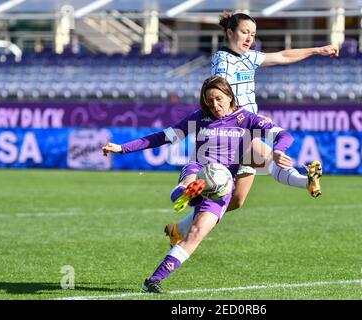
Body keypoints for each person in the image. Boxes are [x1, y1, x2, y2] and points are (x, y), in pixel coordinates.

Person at [102, 76, 296, 293]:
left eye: (219, 99)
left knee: (196, 233)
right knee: (192, 179)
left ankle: (152, 281)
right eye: (209, 100)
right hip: (198, 168)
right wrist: (122, 148)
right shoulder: (199, 118)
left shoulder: (246, 118)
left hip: (222, 187)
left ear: (230, 96)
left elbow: (283, 135)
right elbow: (162, 137)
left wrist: (278, 151)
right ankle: (184, 192)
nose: (214, 105)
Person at [165, 12, 332, 247]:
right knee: (269, 157)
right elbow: (221, 97)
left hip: (246, 129)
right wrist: (248, 114)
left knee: (235, 201)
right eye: (244, 32)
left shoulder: (249, 58)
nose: (249, 38)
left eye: (253, 34)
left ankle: (178, 229)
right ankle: (305, 181)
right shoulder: (223, 61)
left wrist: (317, 50)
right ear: (230, 32)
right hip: (231, 132)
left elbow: (283, 55)